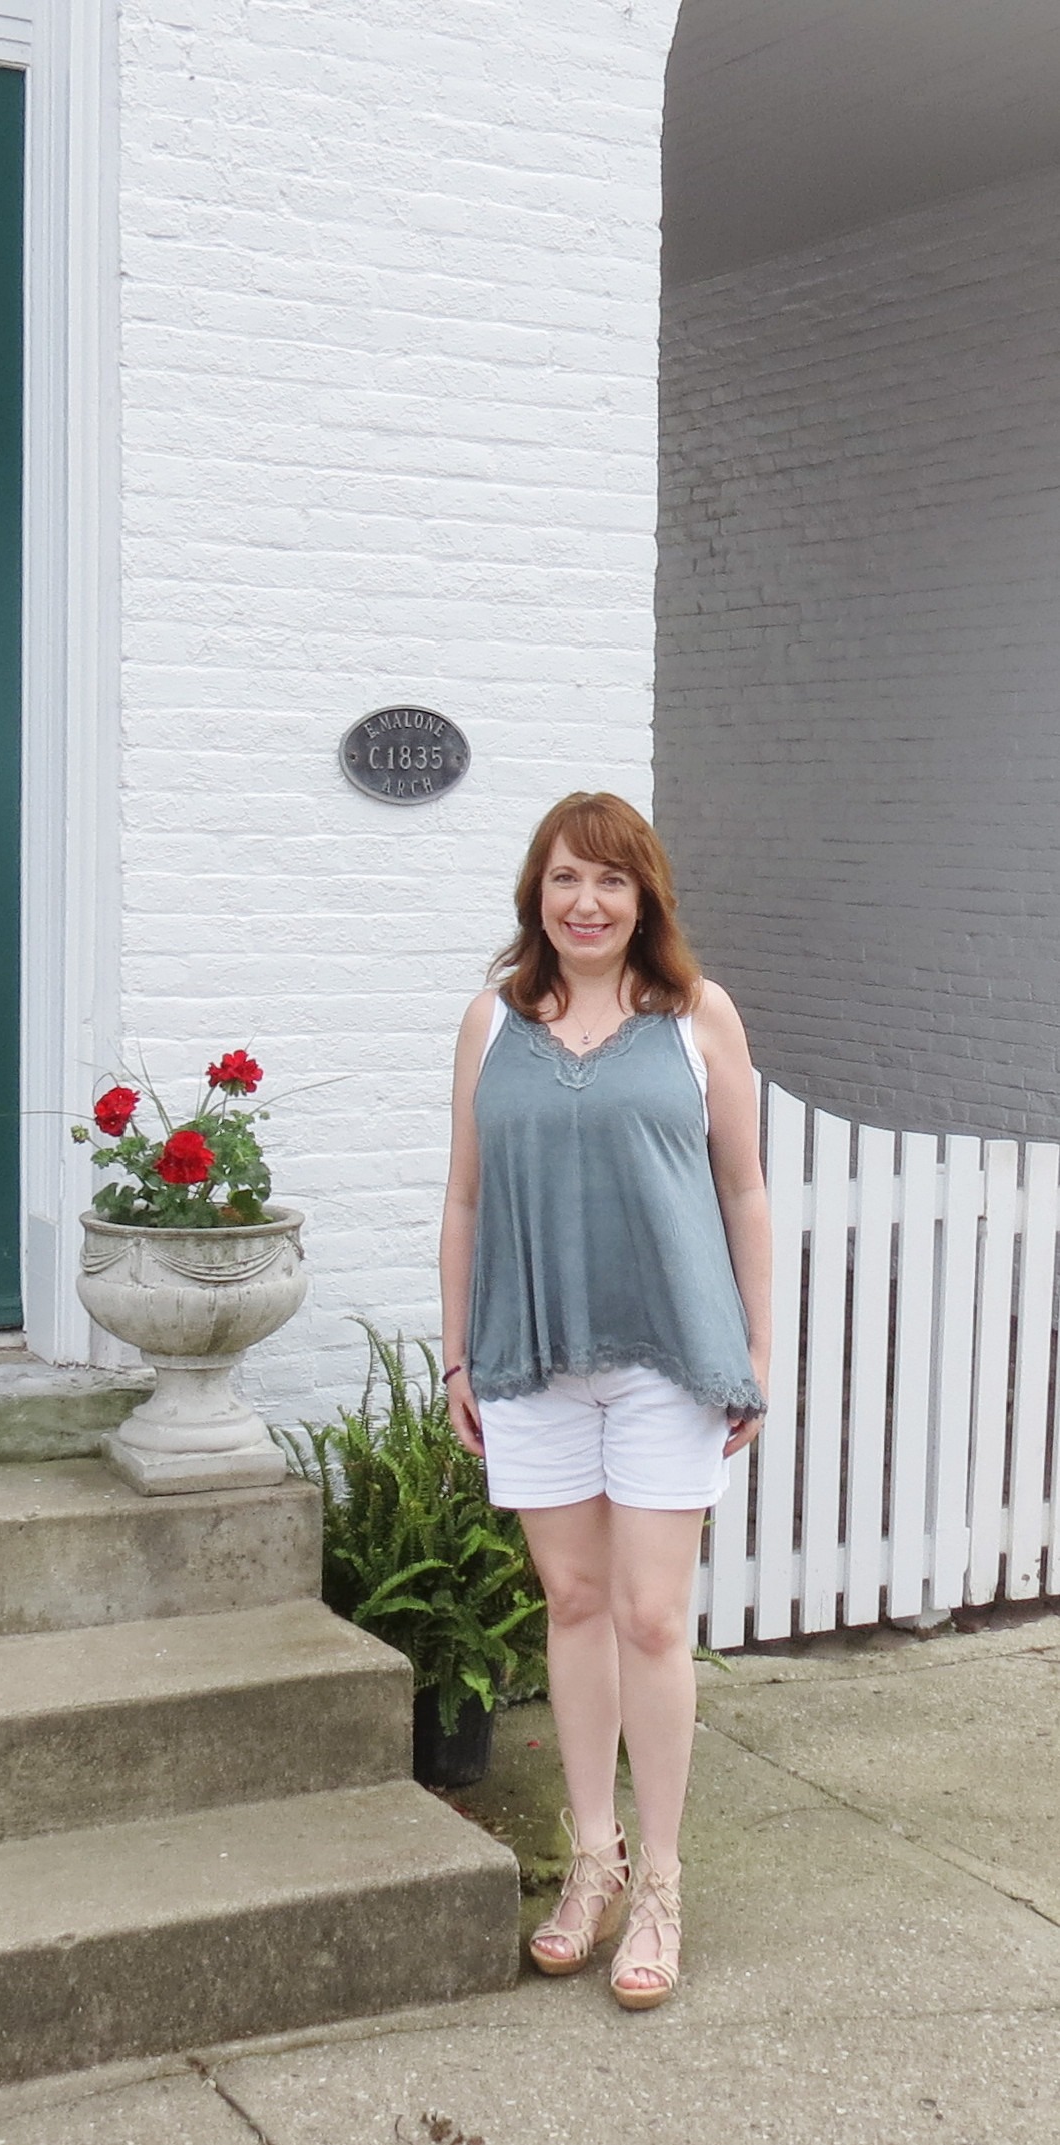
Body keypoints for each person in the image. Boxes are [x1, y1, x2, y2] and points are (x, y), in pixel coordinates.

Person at [438, 792, 770, 2011]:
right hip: (529, 1359)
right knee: (573, 1603)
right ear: (537, 892)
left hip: (668, 1360)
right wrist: (459, 1360)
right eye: (567, 879)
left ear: (646, 902)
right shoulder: (492, 1021)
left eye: (612, 884)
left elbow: (744, 1192)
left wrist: (757, 1355)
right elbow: (465, 1200)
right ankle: (592, 1859)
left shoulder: (695, 1018)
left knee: (647, 1617)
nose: (587, 903)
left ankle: (663, 1882)